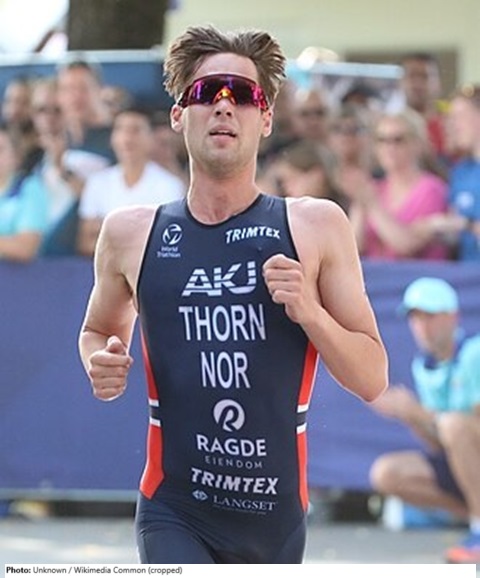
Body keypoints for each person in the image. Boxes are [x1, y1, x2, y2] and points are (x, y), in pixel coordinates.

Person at [78, 24, 388, 564]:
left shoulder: (314, 225)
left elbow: (372, 377)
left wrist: (310, 312)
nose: (224, 105)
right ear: (179, 115)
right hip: (173, 508)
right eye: (205, 92)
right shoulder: (130, 232)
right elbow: (97, 331)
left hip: (274, 520)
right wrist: (99, 362)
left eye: (243, 94)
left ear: (265, 118)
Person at [370, 277, 480, 564]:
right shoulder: (423, 367)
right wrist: (407, 415)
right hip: (466, 464)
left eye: (430, 316)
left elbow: (466, 427)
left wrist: (417, 411)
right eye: (416, 318)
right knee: (386, 473)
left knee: (455, 425)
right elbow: (440, 444)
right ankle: (475, 520)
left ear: (453, 317)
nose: (422, 326)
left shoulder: (475, 353)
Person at [340, 109, 450, 260]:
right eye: (382, 140)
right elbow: (352, 247)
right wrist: (360, 203)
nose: (389, 147)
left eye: (398, 140)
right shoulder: (375, 188)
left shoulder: (432, 190)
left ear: (417, 144)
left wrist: (372, 205)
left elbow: (407, 245)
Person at [77, 105, 186, 257]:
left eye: (135, 130)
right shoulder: (97, 183)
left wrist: (110, 235)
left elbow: (169, 242)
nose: (127, 138)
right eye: (120, 129)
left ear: (151, 138)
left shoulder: (170, 186)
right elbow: (86, 241)